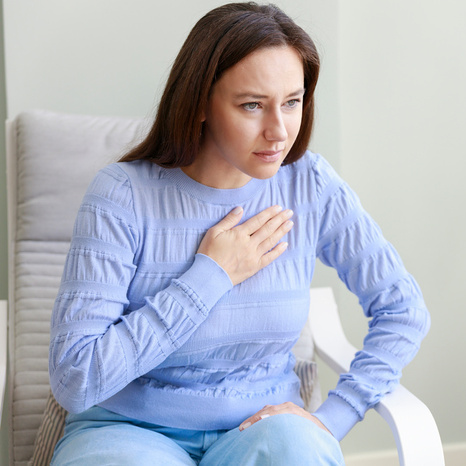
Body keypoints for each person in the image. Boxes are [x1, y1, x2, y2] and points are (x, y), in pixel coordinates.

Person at [48, 3, 430, 465]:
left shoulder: (308, 183)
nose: (279, 131)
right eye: (252, 105)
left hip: (260, 431)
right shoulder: (122, 195)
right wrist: (210, 276)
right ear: (200, 102)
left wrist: (333, 418)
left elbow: (403, 310)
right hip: (128, 433)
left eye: (293, 101)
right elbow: (76, 378)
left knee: (301, 448)